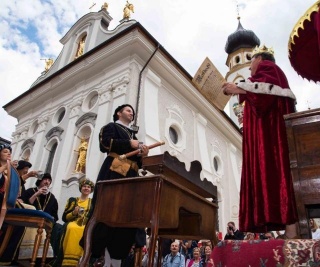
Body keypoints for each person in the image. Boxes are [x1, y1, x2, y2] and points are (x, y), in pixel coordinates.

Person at [222, 45, 298, 238]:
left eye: (251, 62)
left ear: (259, 58)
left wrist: (237, 88)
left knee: (278, 177)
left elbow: (264, 94)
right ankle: (289, 229)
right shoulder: (263, 75)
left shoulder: (269, 68)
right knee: (273, 179)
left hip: (272, 139)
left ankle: (292, 230)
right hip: (266, 138)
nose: (249, 68)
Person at [82, 104, 149, 267]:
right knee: (109, 212)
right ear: (118, 113)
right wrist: (130, 144)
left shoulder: (133, 134)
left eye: (132, 111)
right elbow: (105, 144)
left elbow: (138, 163)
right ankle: (102, 256)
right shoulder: (110, 127)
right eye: (127, 110)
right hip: (114, 172)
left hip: (131, 177)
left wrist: (142, 154)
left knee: (126, 216)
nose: (131, 112)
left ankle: (117, 259)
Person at [49, 179, 95, 266]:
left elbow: (92, 217)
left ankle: (81, 260)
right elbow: (64, 218)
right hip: (72, 222)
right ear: (81, 188)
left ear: (91, 190)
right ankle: (66, 260)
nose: (86, 188)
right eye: (84, 186)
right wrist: (74, 213)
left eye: (88, 187)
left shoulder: (92, 202)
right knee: (71, 227)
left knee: (85, 230)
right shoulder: (72, 200)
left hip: (85, 225)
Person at [0, 144, 27, 265]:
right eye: (5, 151)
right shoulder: (4, 168)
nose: (9, 153)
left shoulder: (9, 170)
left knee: (20, 222)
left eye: (10, 152)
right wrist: (6, 167)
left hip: (5, 202)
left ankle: (6, 256)